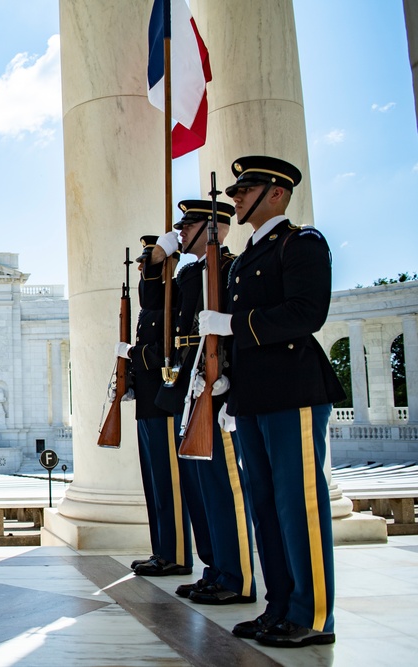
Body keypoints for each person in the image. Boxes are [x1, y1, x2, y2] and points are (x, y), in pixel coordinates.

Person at [199, 155, 344, 647]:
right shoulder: (243, 260)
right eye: (236, 191)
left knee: (298, 505)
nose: (235, 198)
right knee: (264, 505)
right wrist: (226, 386)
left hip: (292, 392)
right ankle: (278, 607)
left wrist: (234, 325)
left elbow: (307, 313)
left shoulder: (301, 243)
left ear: (275, 194)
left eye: (245, 190)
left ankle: (311, 615)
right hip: (253, 398)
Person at [151, 200, 257, 606]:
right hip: (187, 383)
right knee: (198, 487)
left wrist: (229, 378)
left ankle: (236, 575)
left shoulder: (229, 266)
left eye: (188, 225)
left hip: (214, 385)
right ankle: (215, 568)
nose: (180, 232)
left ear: (213, 228)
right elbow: (155, 303)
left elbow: (231, 325)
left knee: (222, 486)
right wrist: (160, 257)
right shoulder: (190, 271)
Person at [115, 237, 192, 577]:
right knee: (154, 482)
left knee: (168, 480)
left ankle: (175, 554)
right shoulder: (151, 309)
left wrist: (131, 354)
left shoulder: (175, 301)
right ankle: (162, 550)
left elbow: (167, 351)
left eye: (151, 266)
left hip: (164, 401)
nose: (144, 272)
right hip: (148, 401)